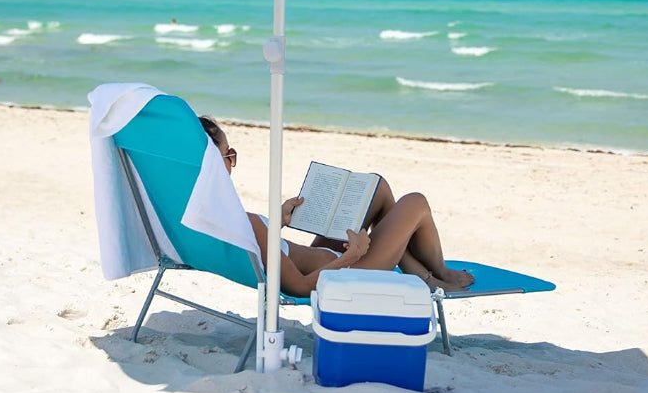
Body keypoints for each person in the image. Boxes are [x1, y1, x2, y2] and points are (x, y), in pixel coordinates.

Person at [198, 116, 473, 298]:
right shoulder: (242, 222)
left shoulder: (210, 216)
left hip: (329, 259)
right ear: (214, 162)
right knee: (416, 201)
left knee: (377, 187)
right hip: (346, 275)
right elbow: (302, 287)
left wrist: (277, 222)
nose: (232, 160)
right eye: (229, 154)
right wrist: (352, 255)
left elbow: (263, 249)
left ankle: (421, 274)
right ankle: (437, 272)